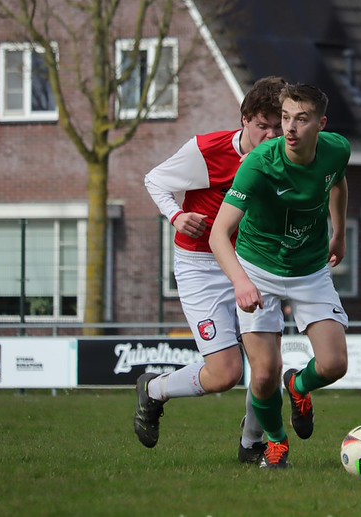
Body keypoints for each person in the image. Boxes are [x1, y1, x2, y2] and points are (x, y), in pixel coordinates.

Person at [136, 76, 287, 462]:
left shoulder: (290, 157)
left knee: (268, 368)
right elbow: (155, 179)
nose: (271, 134)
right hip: (201, 265)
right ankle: (154, 390)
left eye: (278, 125)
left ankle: (253, 444)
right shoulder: (206, 151)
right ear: (244, 121)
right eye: (262, 125)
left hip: (254, 264)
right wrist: (176, 215)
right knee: (225, 374)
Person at [209, 83, 350, 469]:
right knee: (264, 373)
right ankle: (275, 443)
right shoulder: (259, 164)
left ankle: (299, 386)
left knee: (335, 364)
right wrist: (241, 281)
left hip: (310, 269)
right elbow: (218, 233)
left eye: (301, 119)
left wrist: (340, 232)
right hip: (259, 268)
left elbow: (337, 182)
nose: (289, 128)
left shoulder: (337, 149)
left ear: (320, 124)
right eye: (285, 117)